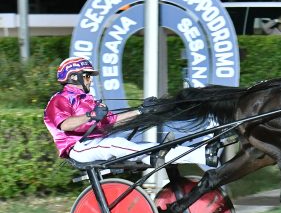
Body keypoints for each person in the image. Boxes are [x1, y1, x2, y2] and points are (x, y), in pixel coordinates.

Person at [43, 56, 208, 167]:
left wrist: (141, 111)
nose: (90, 79)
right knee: (116, 144)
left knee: (150, 146)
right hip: (77, 148)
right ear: (74, 77)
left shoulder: (87, 100)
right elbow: (65, 125)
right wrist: (90, 115)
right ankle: (152, 155)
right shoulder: (60, 99)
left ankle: (202, 155)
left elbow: (113, 120)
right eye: (87, 76)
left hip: (97, 142)